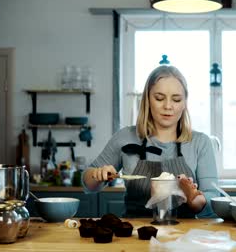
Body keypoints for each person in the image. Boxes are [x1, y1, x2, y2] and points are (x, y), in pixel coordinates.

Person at [83, 65, 218, 218]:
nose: (168, 106)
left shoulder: (200, 143)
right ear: (147, 100)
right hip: (135, 234)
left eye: (176, 99)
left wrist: (195, 200)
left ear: (184, 103)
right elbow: (88, 184)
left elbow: (212, 196)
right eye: (159, 98)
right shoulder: (125, 137)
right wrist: (97, 174)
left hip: (184, 237)